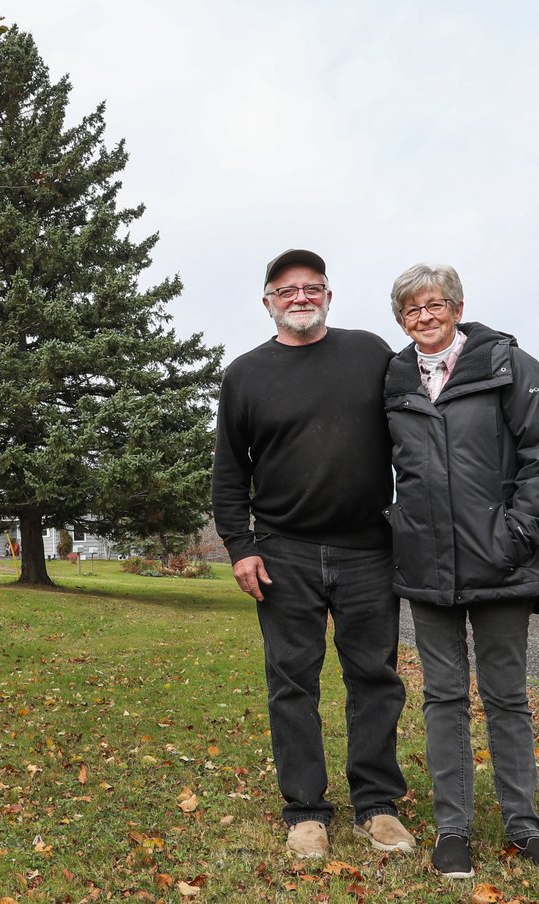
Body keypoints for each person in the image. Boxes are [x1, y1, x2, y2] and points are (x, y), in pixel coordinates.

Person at [212, 249, 413, 861]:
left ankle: (377, 806)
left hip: (368, 551)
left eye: (312, 287)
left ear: (329, 296)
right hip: (284, 552)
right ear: (267, 301)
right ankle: (305, 811)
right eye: (287, 289)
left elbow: (416, 427)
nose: (300, 297)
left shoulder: (370, 353)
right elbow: (228, 474)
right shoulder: (245, 374)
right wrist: (240, 547)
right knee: (292, 682)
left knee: (374, 679)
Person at [383, 263, 539, 879]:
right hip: (427, 569)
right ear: (401, 320)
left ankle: (523, 828)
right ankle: (453, 830)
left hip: (501, 563)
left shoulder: (508, 366)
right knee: (443, 698)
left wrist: (518, 535)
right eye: (411, 310)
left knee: (506, 697)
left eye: (434, 305)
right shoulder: (391, 380)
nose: (424, 317)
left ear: (457, 308)